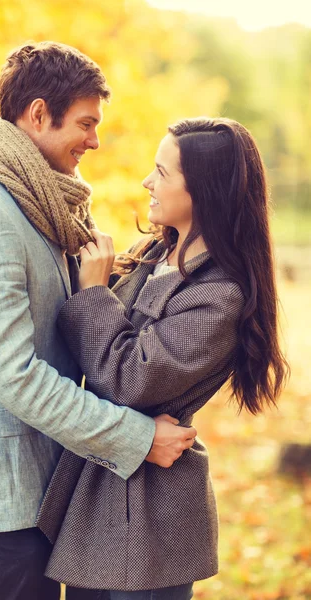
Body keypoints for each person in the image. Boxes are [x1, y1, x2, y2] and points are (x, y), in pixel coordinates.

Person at [0, 42, 197, 600]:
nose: (95, 140)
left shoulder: (39, 206)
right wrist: (137, 438)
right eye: (86, 124)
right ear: (38, 114)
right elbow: (15, 375)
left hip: (42, 498)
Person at [36, 117, 290, 599]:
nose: (146, 182)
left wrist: (93, 293)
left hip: (152, 518)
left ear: (203, 191)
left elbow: (130, 380)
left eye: (161, 172)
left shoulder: (219, 295)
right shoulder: (152, 252)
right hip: (98, 497)